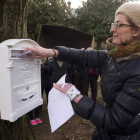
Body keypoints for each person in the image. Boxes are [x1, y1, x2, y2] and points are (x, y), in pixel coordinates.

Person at [23, 2, 140, 139]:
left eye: (118, 24)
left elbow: (114, 120)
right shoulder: (116, 54)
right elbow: (84, 56)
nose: (111, 30)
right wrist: (51, 52)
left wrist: (75, 95)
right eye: (113, 24)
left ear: (136, 30)